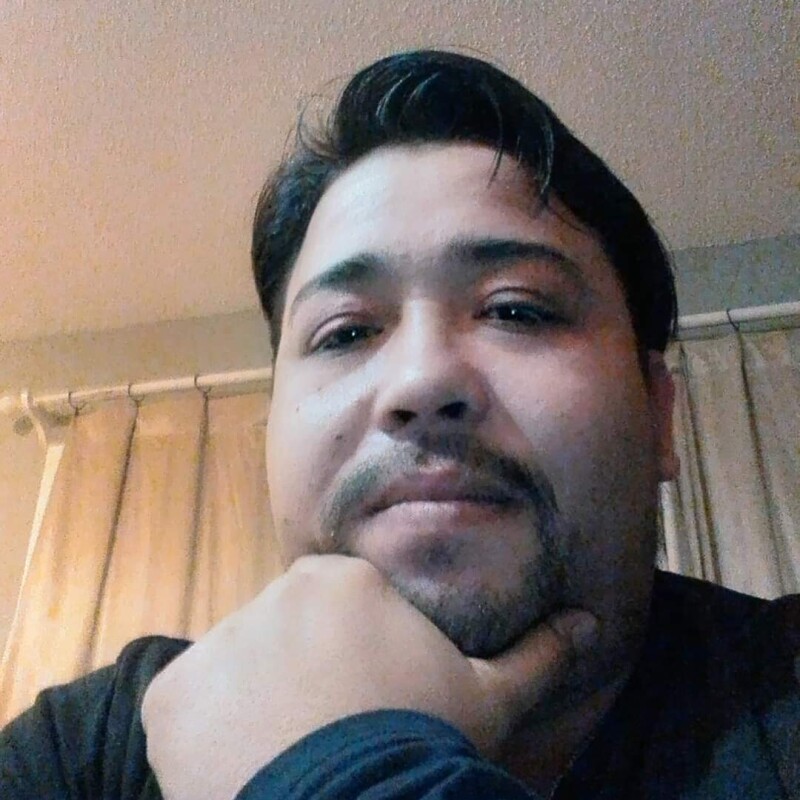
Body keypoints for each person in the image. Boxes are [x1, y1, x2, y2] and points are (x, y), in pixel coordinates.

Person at [1, 49, 798, 800]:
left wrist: (336, 772)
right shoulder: (89, 750)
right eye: (345, 332)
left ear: (659, 414)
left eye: (516, 310)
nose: (421, 380)